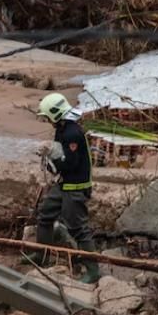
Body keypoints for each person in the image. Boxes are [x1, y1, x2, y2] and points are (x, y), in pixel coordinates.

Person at [22, 93, 100, 284]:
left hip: (76, 186)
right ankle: (43, 255)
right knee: (45, 214)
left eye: (47, 116)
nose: (46, 120)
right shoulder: (63, 130)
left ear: (55, 114)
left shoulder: (72, 133)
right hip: (65, 183)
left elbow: (70, 164)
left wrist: (53, 154)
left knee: (78, 228)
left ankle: (93, 270)